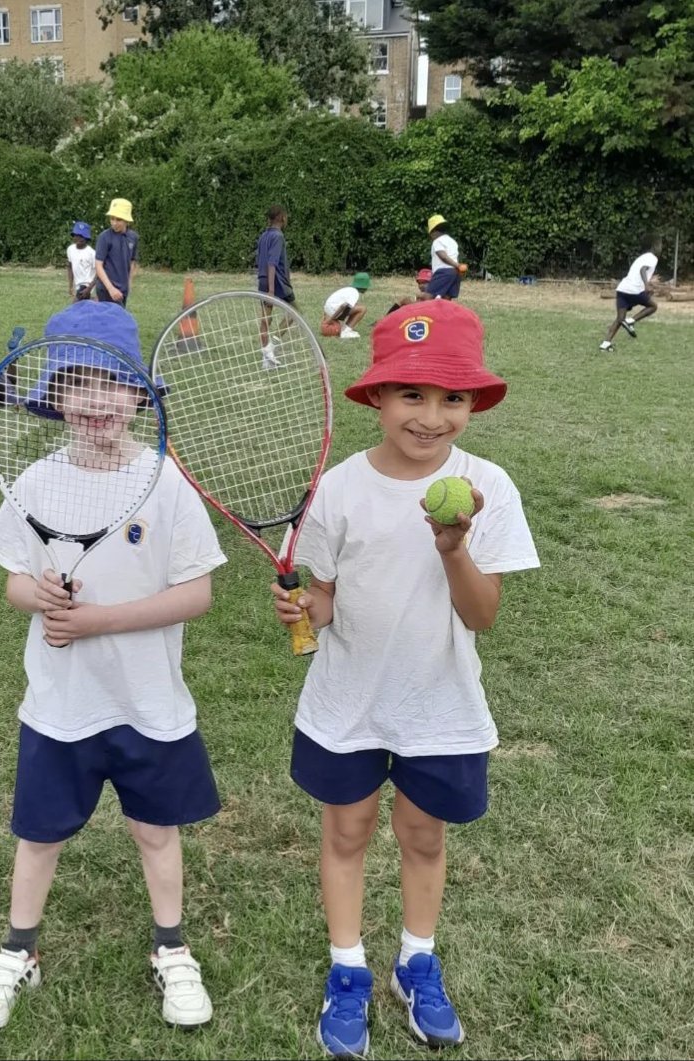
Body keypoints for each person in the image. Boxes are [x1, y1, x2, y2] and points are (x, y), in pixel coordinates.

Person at [271, 300, 539, 1058]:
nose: (431, 416)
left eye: (452, 398)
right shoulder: (340, 488)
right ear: (377, 398)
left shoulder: (486, 485)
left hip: (439, 705)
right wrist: (303, 605)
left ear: (472, 404)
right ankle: (347, 969)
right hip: (346, 701)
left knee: (422, 835)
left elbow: (480, 615)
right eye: (411, 395)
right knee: (346, 831)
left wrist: (453, 547)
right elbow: (323, 598)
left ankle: (415, 960)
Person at [0, 300, 227, 1036]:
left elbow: (197, 592)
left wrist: (98, 619)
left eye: (113, 384)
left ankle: (171, 946)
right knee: (39, 834)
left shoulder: (166, 480)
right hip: (61, 703)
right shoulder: (39, 482)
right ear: (54, 398)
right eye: (77, 384)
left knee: (155, 829)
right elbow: (15, 577)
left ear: (139, 396)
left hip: (149, 703)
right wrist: (38, 594)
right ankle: (19, 948)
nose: (97, 401)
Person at [600, 236, 662, 352]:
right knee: (653, 306)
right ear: (653, 247)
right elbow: (642, 270)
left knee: (620, 318)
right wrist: (647, 284)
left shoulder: (643, 257)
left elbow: (640, 271)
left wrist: (649, 281)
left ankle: (605, 343)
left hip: (622, 289)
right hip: (634, 290)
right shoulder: (652, 258)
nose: (660, 248)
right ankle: (631, 321)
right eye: (659, 246)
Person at [256, 205, 294, 368]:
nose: (286, 219)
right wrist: (272, 290)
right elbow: (272, 263)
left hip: (263, 279)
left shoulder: (264, 236)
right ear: (280, 217)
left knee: (265, 319)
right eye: (285, 216)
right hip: (276, 282)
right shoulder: (278, 236)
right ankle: (271, 347)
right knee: (294, 313)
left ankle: (267, 361)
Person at [93, 198, 134, 307]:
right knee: (107, 321)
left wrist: (129, 283)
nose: (114, 223)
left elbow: (132, 261)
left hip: (123, 289)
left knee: (119, 319)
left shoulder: (133, 237)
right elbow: (98, 265)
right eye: (112, 219)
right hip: (106, 289)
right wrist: (111, 289)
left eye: (119, 219)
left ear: (127, 220)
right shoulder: (104, 237)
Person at [425, 215, 467, 301]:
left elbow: (443, 256)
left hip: (443, 272)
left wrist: (457, 265)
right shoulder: (452, 241)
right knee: (447, 299)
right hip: (455, 273)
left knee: (428, 296)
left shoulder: (437, 241)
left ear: (434, 231)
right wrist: (458, 268)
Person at [321, 273, 371, 338]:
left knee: (356, 305)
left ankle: (344, 328)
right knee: (362, 309)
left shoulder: (349, 289)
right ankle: (346, 332)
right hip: (333, 312)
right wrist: (331, 319)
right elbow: (343, 306)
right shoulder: (355, 293)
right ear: (363, 286)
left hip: (328, 310)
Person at [66, 221, 97, 302]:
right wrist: (70, 286)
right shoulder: (70, 249)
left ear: (87, 238)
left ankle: (96, 299)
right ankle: (96, 300)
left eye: (82, 236)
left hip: (87, 285)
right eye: (77, 235)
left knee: (75, 305)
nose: (79, 238)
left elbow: (99, 273)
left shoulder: (92, 253)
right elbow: (70, 266)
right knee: (85, 308)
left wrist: (89, 288)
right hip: (78, 285)